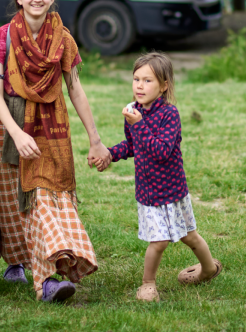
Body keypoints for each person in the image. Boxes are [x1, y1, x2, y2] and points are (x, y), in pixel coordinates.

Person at [0, 0, 111, 302]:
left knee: (42, 197)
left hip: (50, 129)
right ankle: (16, 261)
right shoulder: (1, 38)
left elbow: (75, 89)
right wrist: (17, 134)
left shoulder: (63, 40)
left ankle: (48, 280)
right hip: (10, 126)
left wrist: (95, 139)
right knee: (12, 201)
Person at [95, 52, 222, 302]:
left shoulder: (169, 114)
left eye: (148, 80)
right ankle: (148, 283)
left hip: (173, 190)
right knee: (159, 241)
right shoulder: (134, 112)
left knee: (189, 235)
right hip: (149, 193)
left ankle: (208, 269)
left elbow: (161, 151)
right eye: (136, 79)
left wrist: (138, 124)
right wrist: (110, 154)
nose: (140, 86)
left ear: (163, 86)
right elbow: (134, 145)